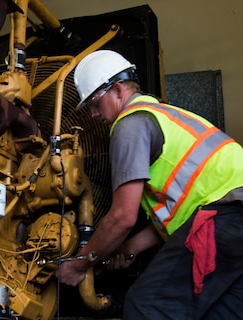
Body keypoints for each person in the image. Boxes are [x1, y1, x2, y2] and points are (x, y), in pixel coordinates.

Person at [59, 49, 243, 319]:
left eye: (95, 104)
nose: (94, 115)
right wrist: (128, 248)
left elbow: (122, 216)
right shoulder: (163, 114)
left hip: (221, 218)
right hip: (231, 223)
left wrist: (79, 264)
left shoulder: (130, 124)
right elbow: (182, 209)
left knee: (146, 307)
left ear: (118, 89)